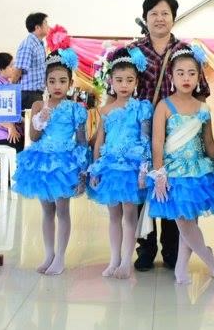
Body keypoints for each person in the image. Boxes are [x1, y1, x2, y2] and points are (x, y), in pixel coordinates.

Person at [129, 0, 211, 272]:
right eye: (153, 13)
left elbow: (202, 93)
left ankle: (173, 248)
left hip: (178, 133)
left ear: (174, 18)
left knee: (174, 187)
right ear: (145, 18)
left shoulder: (186, 51)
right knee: (144, 188)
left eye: (165, 13)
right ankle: (145, 247)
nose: (159, 18)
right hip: (141, 132)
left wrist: (193, 128)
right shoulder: (134, 51)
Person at [146, 44, 214, 284]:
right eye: (180, 73)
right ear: (171, 76)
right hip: (173, 171)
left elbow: (208, 142)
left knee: (190, 220)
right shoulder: (164, 106)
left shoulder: (203, 108)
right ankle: (209, 258)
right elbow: (157, 142)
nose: (186, 78)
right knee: (184, 220)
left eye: (191, 73)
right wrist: (159, 172)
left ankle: (181, 267)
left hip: (198, 171)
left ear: (198, 77)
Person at [12, 49, 89, 276]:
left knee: (62, 209)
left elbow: (82, 142)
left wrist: (83, 170)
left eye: (63, 81)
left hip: (64, 164)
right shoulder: (39, 105)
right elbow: (33, 137)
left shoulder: (76, 109)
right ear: (45, 83)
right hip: (43, 162)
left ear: (70, 83)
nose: (57, 86)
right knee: (46, 210)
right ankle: (48, 254)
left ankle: (60, 257)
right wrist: (40, 120)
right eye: (52, 81)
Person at [86, 47, 153, 279]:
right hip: (110, 167)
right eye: (119, 80)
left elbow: (145, 140)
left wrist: (144, 168)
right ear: (111, 81)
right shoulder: (105, 110)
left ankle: (126, 261)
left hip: (132, 169)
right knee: (113, 214)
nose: (124, 85)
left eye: (129, 80)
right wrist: (95, 168)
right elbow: (99, 141)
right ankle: (114, 259)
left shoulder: (142, 108)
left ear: (136, 82)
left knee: (129, 213)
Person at [16, 12, 50, 148]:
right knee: (32, 131)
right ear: (37, 27)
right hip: (28, 94)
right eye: (46, 23)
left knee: (36, 129)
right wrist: (11, 89)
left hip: (36, 93)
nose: (48, 26)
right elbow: (19, 69)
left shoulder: (39, 44)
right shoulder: (28, 44)